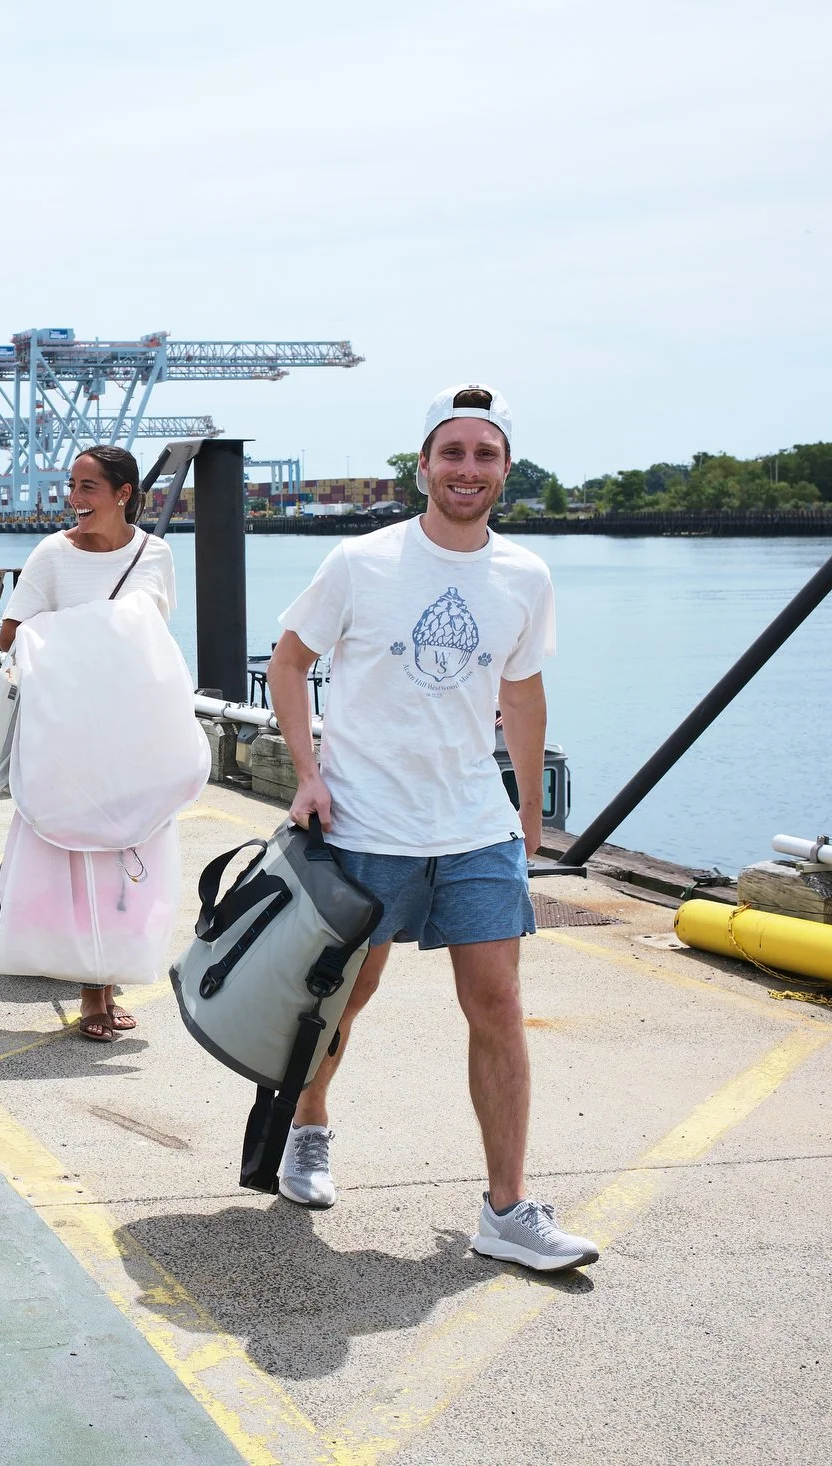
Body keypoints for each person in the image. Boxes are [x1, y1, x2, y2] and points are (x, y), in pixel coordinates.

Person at [265, 384, 597, 1271]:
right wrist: (307, 774)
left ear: (505, 471)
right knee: (347, 998)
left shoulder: (526, 576)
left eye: (484, 456)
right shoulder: (360, 562)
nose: (467, 470)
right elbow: (289, 663)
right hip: (370, 823)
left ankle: (508, 1207)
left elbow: (522, 693)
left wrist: (528, 813)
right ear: (422, 466)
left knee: (498, 1006)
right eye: (452, 454)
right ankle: (308, 1122)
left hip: (475, 826)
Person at [0, 445, 180, 1041]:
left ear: (124, 493)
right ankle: (90, 992)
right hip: (68, 732)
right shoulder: (52, 554)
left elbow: (151, 640)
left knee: (128, 859)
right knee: (75, 857)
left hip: (131, 732)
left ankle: (111, 975)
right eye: (71, 486)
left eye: (88, 487)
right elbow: (13, 632)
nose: (73, 499)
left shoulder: (156, 554)